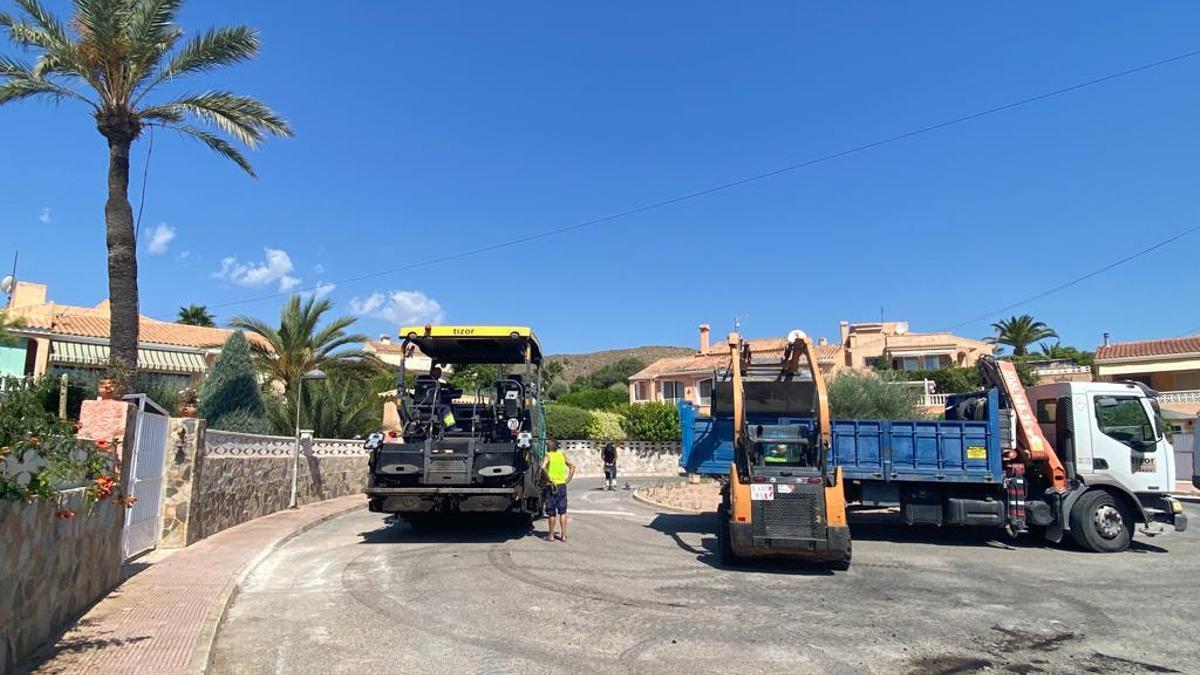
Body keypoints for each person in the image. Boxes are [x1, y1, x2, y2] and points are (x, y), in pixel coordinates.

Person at [540, 439, 576, 542]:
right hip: (562, 485)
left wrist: (547, 477)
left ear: (550, 447)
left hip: (551, 486)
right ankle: (563, 536)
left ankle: (551, 535)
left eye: (547, 444)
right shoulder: (562, 455)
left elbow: (542, 467)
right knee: (562, 511)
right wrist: (568, 479)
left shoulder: (548, 455)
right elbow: (572, 466)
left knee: (551, 512)